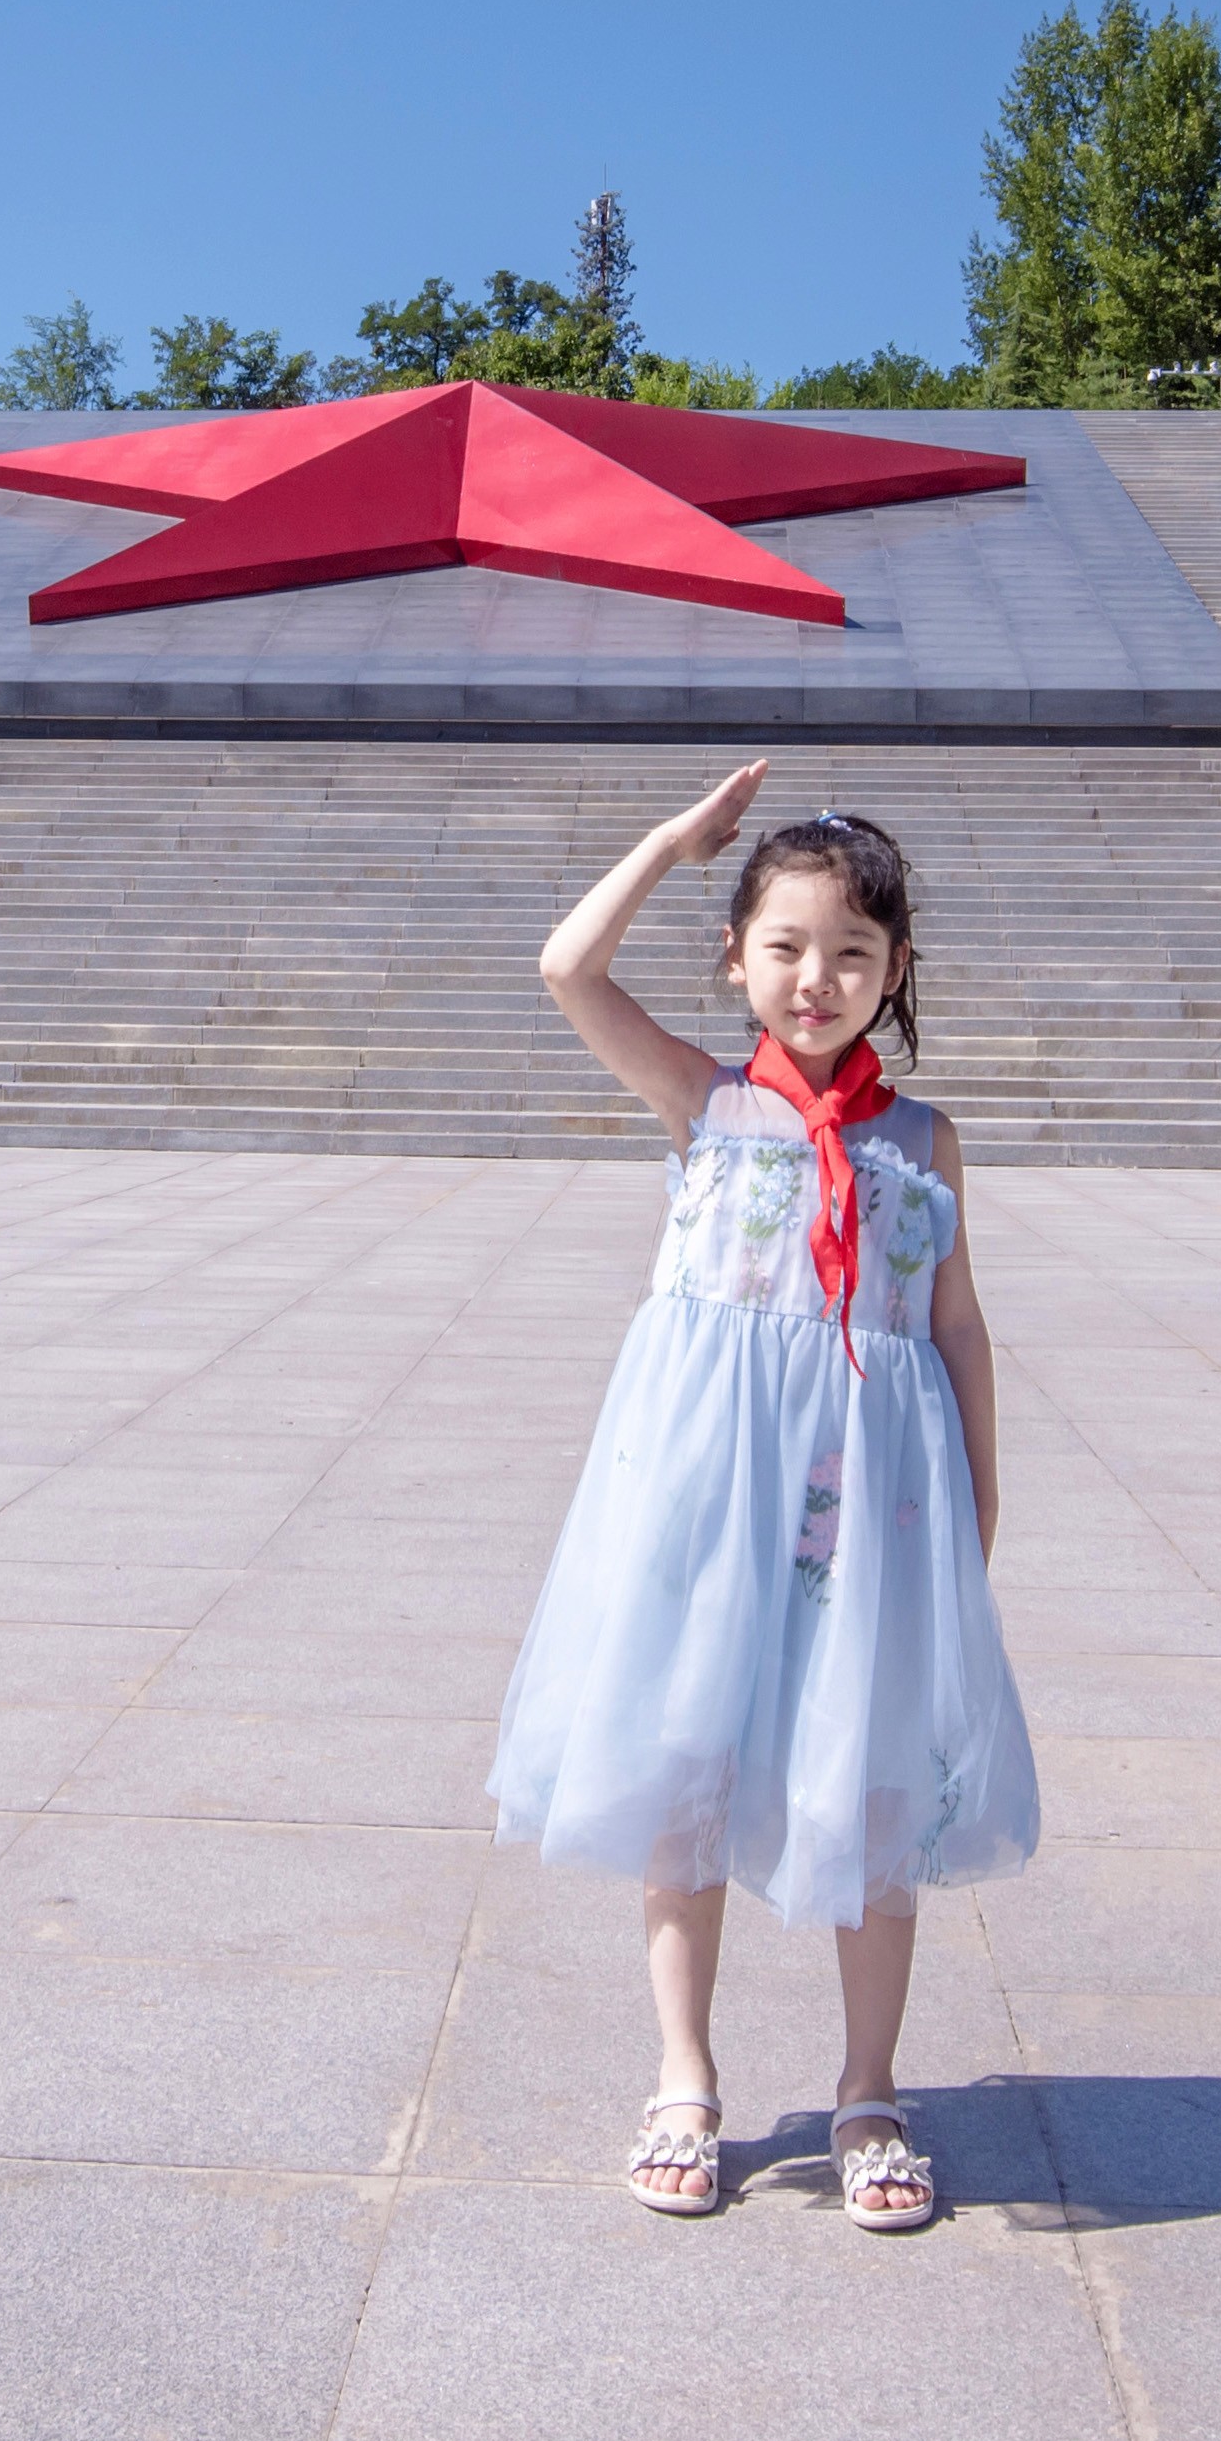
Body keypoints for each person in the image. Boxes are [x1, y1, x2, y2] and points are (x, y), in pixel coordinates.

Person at [488, 759, 1038, 2229]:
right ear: (736, 960)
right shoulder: (706, 1104)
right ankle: (683, 2076)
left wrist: (982, 1505)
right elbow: (563, 968)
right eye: (786, 946)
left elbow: (959, 1324)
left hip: (873, 1517)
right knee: (686, 1773)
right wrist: (672, 844)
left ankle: (867, 2090)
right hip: (711, 1511)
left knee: (874, 1788)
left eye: (851, 952)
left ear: (894, 972)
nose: (817, 977)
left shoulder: (923, 1144)